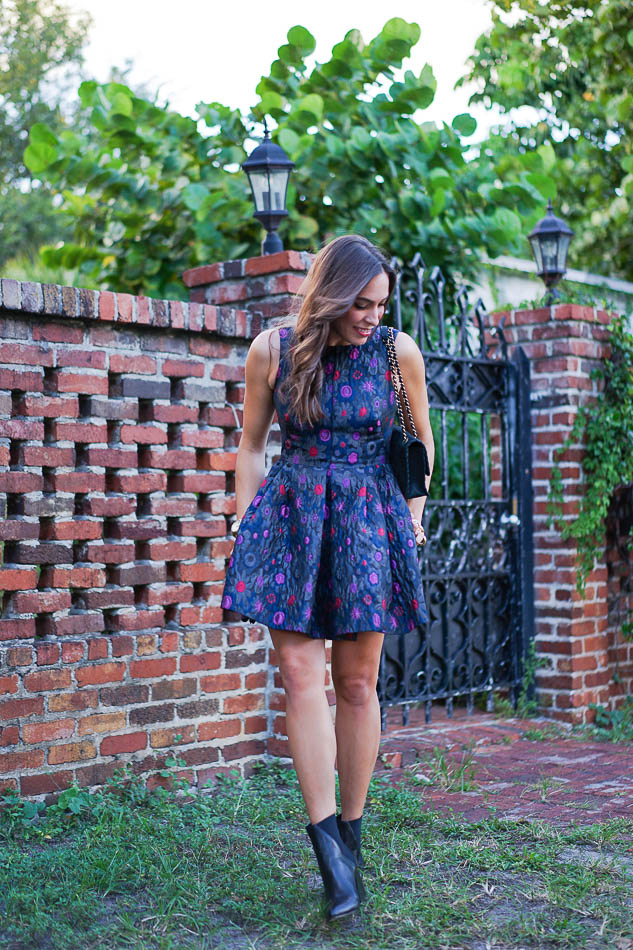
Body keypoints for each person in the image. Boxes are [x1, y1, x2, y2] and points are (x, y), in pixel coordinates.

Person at [221, 233, 434, 920]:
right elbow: (251, 446)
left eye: (380, 305)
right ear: (333, 295)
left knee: (356, 682)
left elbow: (418, 437)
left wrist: (413, 514)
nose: (371, 316)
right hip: (291, 520)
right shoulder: (273, 352)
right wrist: (246, 523)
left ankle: (352, 833)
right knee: (299, 679)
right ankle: (327, 859)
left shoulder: (396, 354)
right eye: (360, 304)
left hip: (369, 517)